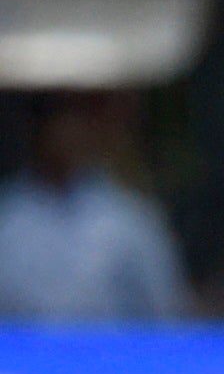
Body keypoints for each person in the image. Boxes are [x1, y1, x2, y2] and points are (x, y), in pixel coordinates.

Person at [0, 91, 186, 322]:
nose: (65, 132)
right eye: (55, 118)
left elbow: (167, 316)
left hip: (112, 357)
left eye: (75, 119)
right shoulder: (8, 215)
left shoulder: (130, 218)